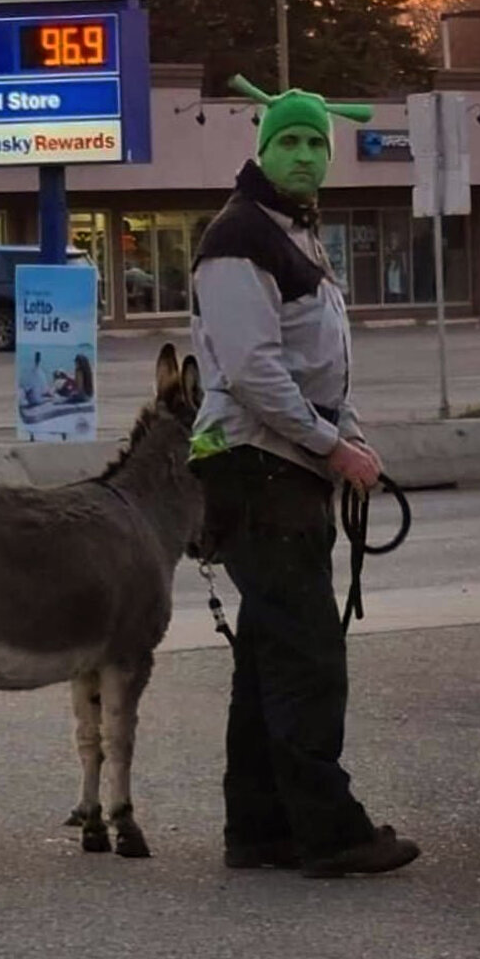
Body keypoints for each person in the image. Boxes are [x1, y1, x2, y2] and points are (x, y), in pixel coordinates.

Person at [189, 77, 420, 878]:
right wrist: (330, 447)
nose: (305, 155)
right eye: (289, 140)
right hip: (258, 469)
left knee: (268, 660)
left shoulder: (293, 237)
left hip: (283, 467)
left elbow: (309, 366)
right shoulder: (238, 239)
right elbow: (253, 370)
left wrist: (347, 435)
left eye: (317, 142)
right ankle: (331, 832)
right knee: (309, 659)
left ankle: (259, 830)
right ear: (261, 149)